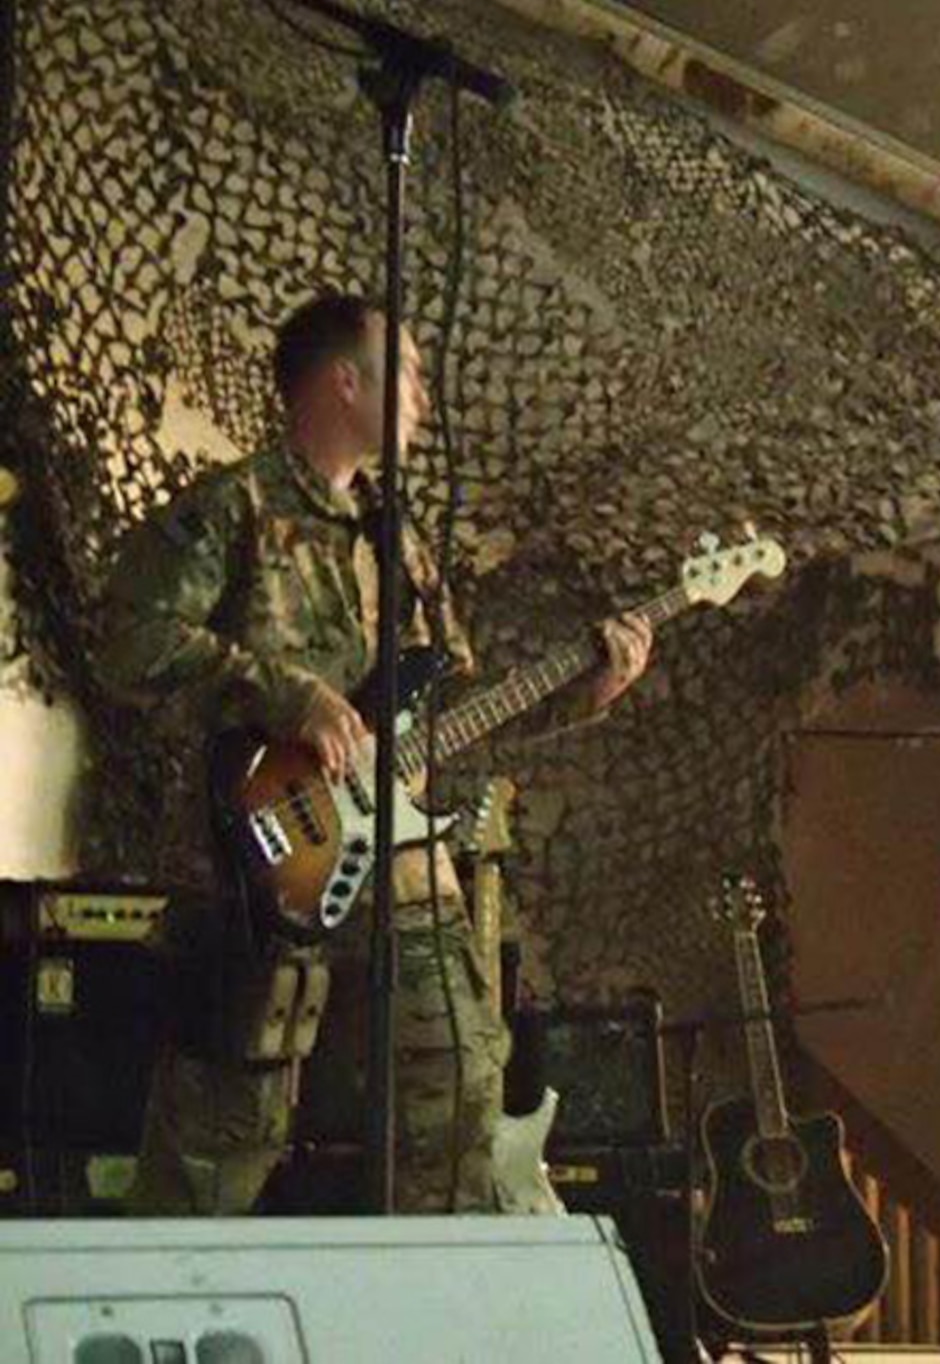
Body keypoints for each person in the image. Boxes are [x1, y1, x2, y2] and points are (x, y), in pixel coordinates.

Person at [99, 292, 653, 1216]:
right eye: (411, 373)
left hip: (407, 885)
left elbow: (452, 723)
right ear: (345, 381)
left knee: (455, 1125)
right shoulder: (234, 508)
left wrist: (583, 694)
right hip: (266, 875)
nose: (426, 400)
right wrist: (286, 691)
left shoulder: (403, 543)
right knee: (219, 1143)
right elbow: (130, 641)